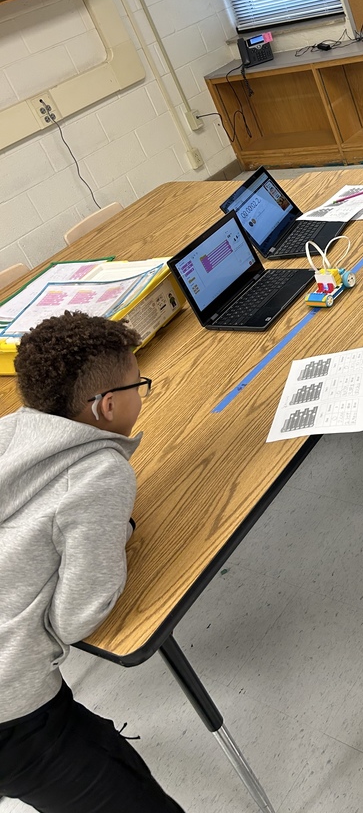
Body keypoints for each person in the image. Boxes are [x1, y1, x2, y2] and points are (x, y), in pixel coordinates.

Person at [0, 312, 185, 813]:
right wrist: (117, 531)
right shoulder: (101, 473)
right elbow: (79, 615)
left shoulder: (7, 432)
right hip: (12, 716)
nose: (142, 393)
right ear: (107, 406)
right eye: (138, 384)